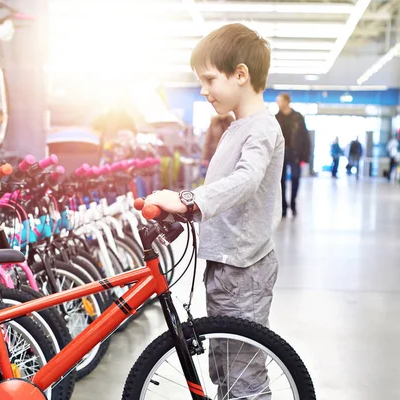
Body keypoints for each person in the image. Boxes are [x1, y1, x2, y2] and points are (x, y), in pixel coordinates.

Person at [143, 23, 283, 399]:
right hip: (225, 263)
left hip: (245, 268)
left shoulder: (262, 128)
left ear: (241, 74)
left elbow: (247, 180)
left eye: (209, 79)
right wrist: (184, 213)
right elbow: (226, 192)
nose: (203, 90)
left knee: (244, 380)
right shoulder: (235, 128)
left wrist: (189, 199)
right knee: (223, 371)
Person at [275, 93, 310, 217]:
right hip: (281, 153)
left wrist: (305, 156)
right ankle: (283, 206)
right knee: (281, 180)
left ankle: (293, 203)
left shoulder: (298, 117)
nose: (277, 103)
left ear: (286, 101)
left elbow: (305, 137)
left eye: (279, 100)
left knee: (295, 178)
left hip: (295, 153)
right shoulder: (276, 118)